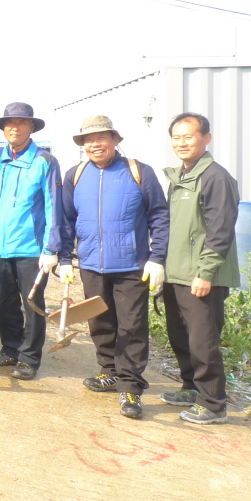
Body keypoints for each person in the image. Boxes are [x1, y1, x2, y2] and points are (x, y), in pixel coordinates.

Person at [60, 115, 169, 419]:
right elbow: (66, 220)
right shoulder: (76, 175)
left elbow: (159, 216)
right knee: (100, 322)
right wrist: (66, 259)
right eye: (88, 140)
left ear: (115, 140)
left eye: (101, 138)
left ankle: (131, 386)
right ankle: (109, 370)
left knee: (132, 325)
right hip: (92, 265)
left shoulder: (138, 172)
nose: (95, 145)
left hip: (131, 265)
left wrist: (157, 257)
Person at [161, 113, 240, 425]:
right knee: (181, 335)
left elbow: (221, 230)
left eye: (189, 136)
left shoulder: (216, 177)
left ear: (206, 138)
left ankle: (213, 403)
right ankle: (191, 387)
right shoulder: (180, 177)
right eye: (177, 137)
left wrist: (206, 272)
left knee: (203, 339)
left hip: (201, 276)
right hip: (177, 272)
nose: (182, 143)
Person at [0, 102, 63, 381]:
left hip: (32, 249)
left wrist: (51, 248)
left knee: (33, 304)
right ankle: (10, 348)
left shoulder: (44, 162)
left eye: (21, 123)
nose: (14, 128)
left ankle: (29, 358)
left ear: (31, 127)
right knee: (3, 302)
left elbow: (54, 205)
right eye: (9, 123)